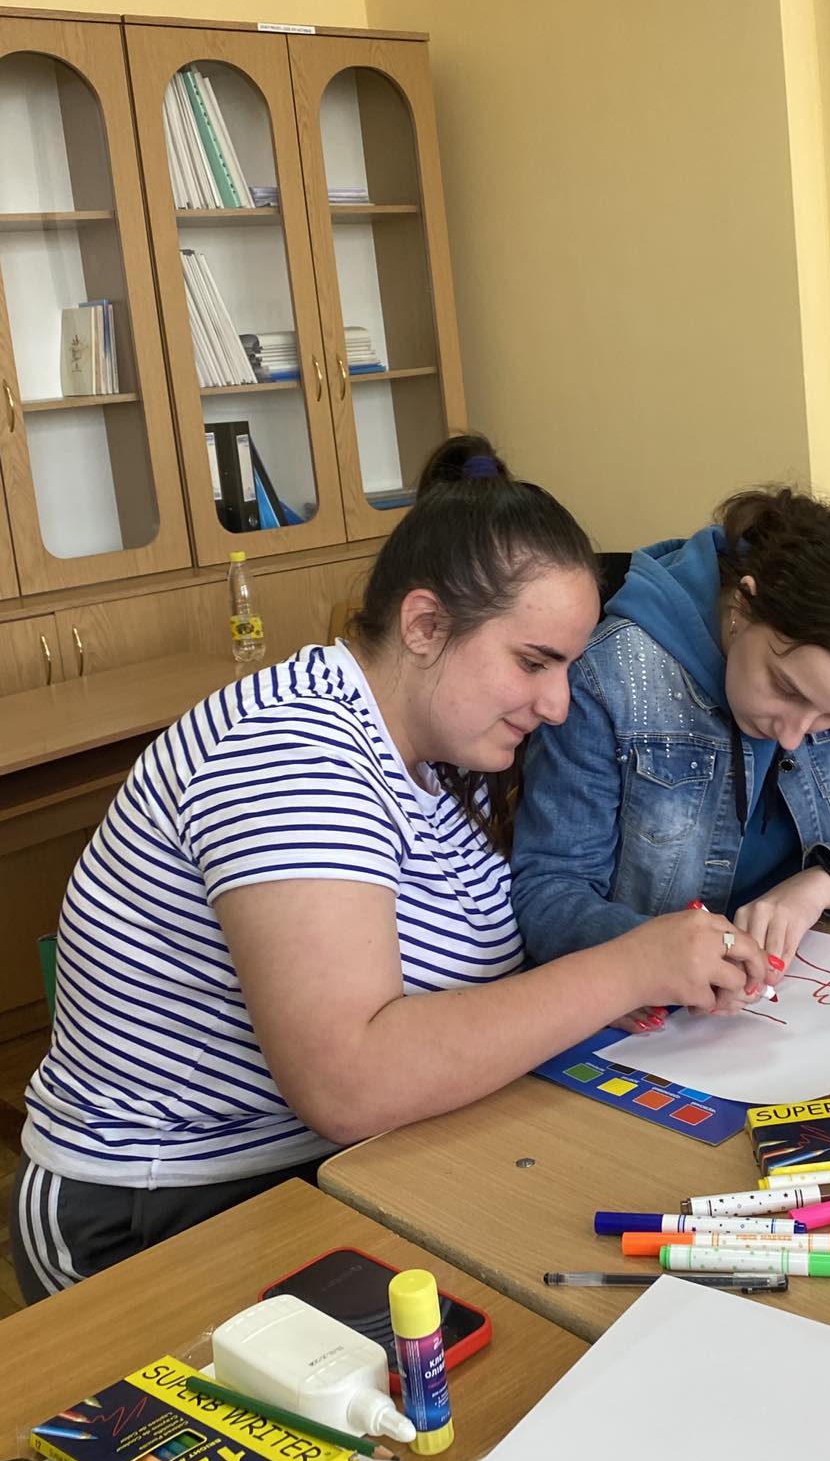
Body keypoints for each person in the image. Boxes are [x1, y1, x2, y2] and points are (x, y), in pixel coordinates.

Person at [12, 434, 766, 1302]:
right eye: (533, 662)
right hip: (162, 1207)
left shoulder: (438, 750)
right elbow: (350, 1082)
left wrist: (605, 985)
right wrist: (623, 969)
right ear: (424, 626)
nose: (558, 703)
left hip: (338, 1164)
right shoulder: (290, 754)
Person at [512, 485, 830, 1000]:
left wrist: (829, 882)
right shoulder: (609, 676)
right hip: (665, 1011)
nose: (792, 735)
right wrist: (652, 957)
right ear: (744, 607)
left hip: (800, 988)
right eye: (786, 689)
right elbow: (550, 893)